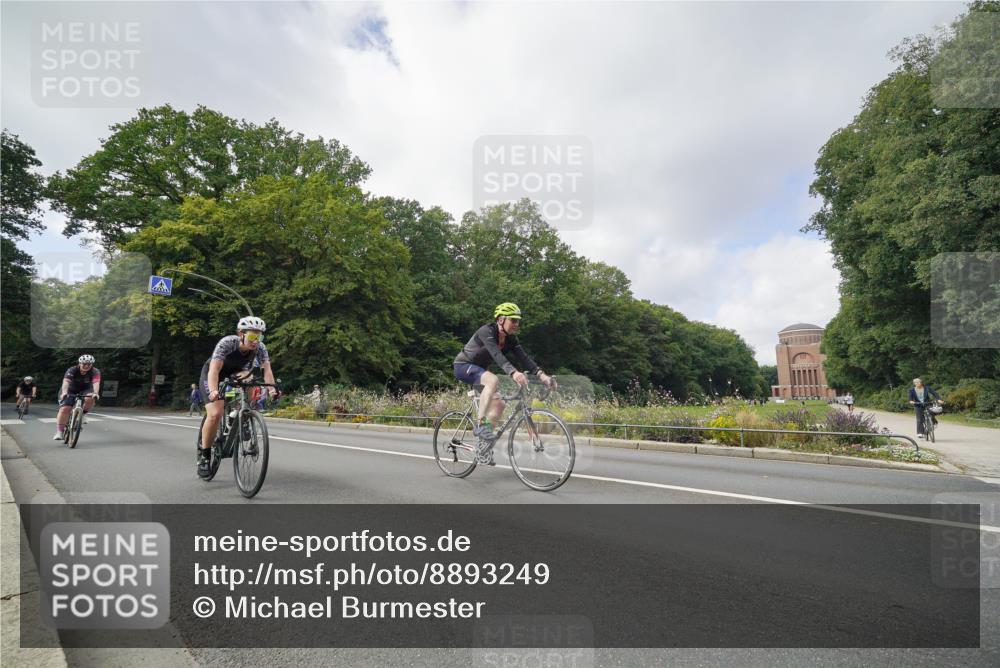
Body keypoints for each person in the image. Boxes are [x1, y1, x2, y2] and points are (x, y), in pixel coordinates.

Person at [453, 303, 556, 457]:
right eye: (513, 320)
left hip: (480, 372)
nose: (516, 324)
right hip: (463, 366)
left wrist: (542, 376)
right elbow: (497, 355)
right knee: (493, 380)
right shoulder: (486, 331)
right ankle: (480, 425)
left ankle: (483, 447)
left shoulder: (510, 339)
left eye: (518, 321)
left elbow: (524, 358)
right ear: (501, 320)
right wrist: (513, 373)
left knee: (500, 405)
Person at [197, 316, 277, 478]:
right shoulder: (227, 343)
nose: (256, 340)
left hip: (237, 373)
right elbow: (214, 370)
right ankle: (204, 456)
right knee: (215, 414)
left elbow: (266, 370)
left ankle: (239, 414)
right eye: (252, 336)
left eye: (259, 336)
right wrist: (213, 391)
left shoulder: (260, 348)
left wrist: (272, 389)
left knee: (251, 379)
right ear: (241, 334)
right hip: (215, 373)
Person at [54, 355, 101, 440]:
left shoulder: (95, 371)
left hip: (86, 389)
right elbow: (66, 382)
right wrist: (64, 392)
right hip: (70, 389)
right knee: (65, 409)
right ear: (80, 363)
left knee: (90, 397)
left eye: (89, 364)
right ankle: (59, 432)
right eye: (84, 364)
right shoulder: (72, 370)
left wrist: (95, 393)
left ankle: (82, 414)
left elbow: (96, 383)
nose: (86, 366)